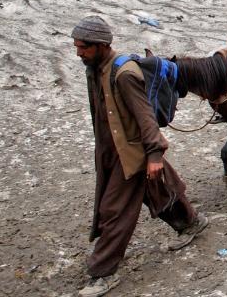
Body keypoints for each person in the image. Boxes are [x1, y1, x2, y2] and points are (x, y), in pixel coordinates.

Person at [73, 16, 208, 297]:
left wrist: (155, 154)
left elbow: (145, 117)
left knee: (115, 212)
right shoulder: (94, 69)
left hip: (131, 154)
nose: (79, 53)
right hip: (114, 151)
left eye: (83, 47)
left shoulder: (125, 75)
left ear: (100, 45)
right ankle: (192, 223)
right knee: (159, 188)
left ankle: (102, 273)